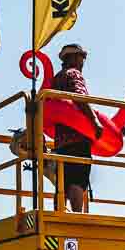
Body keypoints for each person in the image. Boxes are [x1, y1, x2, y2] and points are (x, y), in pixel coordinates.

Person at [47, 41, 96, 213]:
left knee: (63, 181)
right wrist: (95, 122)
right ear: (74, 58)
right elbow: (80, 97)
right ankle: (76, 215)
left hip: (61, 141)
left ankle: (58, 212)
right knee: (78, 178)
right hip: (77, 136)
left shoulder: (57, 78)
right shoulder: (74, 74)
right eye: (82, 57)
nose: (83, 62)